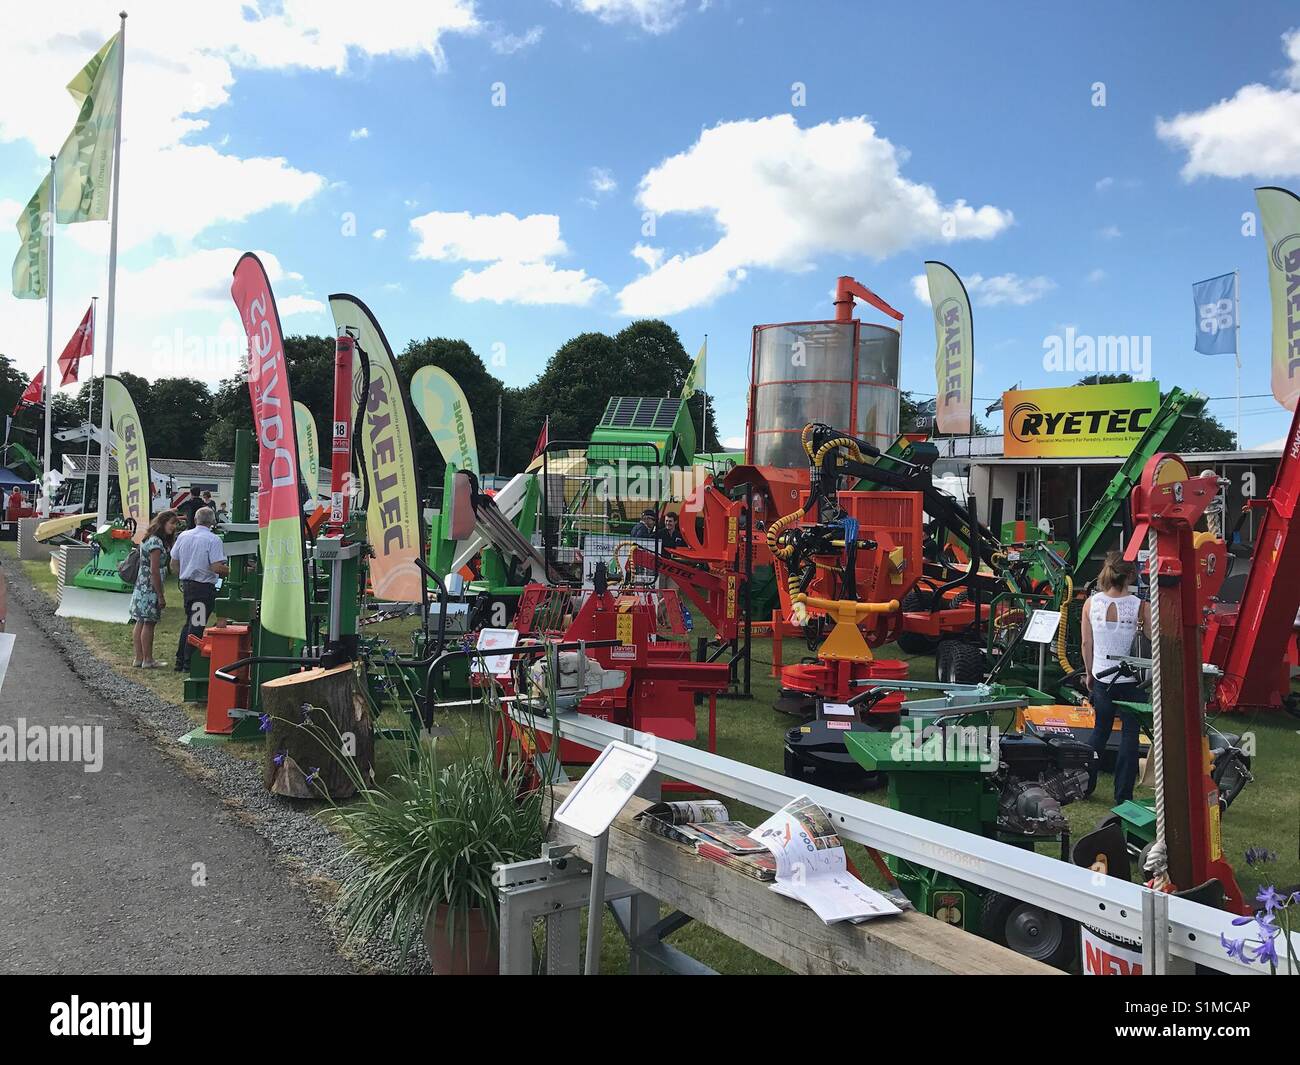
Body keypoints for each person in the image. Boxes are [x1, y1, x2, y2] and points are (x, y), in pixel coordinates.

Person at [1081, 551, 1150, 803]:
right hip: (1132, 681)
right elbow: (1153, 640)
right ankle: (1123, 795)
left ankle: (1085, 784)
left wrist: (1089, 673)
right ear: (1130, 575)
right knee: (1130, 736)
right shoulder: (1140, 606)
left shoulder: (1091, 604)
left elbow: (1086, 643)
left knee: (1100, 731)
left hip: (1102, 677)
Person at [170, 506, 229, 672]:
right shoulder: (213, 540)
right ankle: (188, 662)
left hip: (188, 585)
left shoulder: (184, 536)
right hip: (203, 588)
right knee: (197, 624)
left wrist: (183, 574)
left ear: (196, 520)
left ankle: (180, 659)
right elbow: (217, 567)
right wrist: (236, 571)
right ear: (212, 522)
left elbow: (173, 562)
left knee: (189, 622)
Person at [129, 509, 180, 669]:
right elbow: (155, 570)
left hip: (141, 584)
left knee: (140, 621)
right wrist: (160, 595)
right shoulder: (157, 543)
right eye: (172, 523)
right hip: (150, 588)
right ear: (163, 523)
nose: (173, 527)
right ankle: (148, 659)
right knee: (149, 623)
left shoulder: (147, 539)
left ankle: (139, 658)